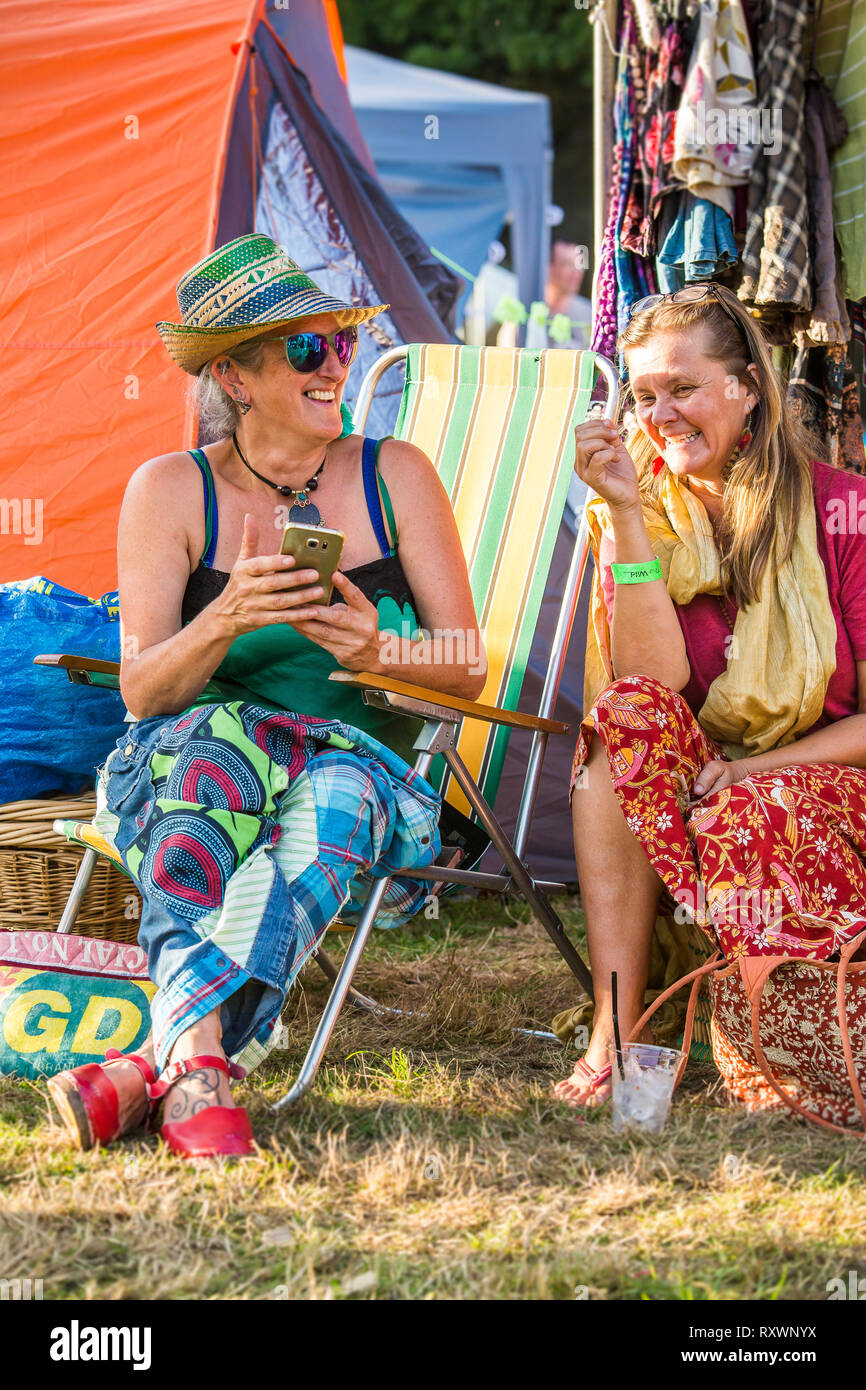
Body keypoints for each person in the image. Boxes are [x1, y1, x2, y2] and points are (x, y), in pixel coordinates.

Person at [48, 234, 485, 1157]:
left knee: (322, 811)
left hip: (360, 761)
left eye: (342, 344)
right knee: (213, 761)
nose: (335, 365)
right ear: (237, 379)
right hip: (202, 756)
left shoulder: (395, 472)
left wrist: (385, 649)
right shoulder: (170, 491)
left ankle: (170, 1064)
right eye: (305, 348)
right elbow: (143, 691)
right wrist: (223, 621)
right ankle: (199, 1069)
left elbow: (468, 662)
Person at [554, 281, 866, 1109]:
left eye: (684, 388)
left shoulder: (844, 511)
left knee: (750, 806)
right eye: (644, 394)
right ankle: (616, 1032)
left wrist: (757, 773)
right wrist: (624, 513)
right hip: (694, 783)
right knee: (620, 723)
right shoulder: (640, 511)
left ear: (747, 387)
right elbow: (652, 687)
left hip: (831, 782)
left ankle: (785, 1047)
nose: (662, 415)